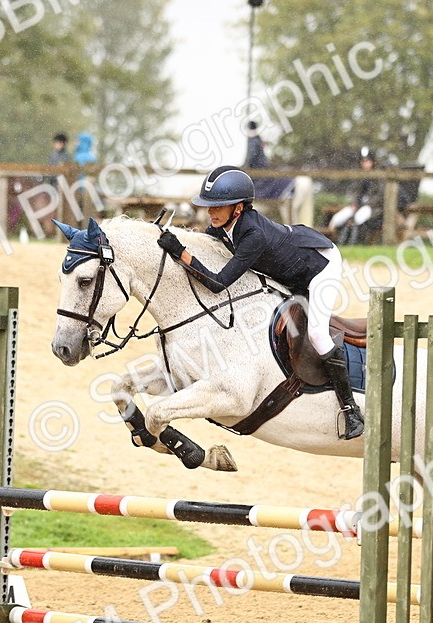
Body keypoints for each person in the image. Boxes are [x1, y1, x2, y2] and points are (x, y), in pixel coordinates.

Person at [156, 166, 364, 440]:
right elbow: (204, 244)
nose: (211, 212)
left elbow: (218, 283)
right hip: (292, 263)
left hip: (319, 266)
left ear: (239, 209)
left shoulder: (253, 235)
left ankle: (350, 409)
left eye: (218, 207)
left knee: (316, 333)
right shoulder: (224, 226)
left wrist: (181, 253)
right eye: (209, 206)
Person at [329, 146, 382, 245]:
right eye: (363, 161)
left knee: (359, 217)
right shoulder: (360, 176)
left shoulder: (379, 176)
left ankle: (354, 242)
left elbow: (379, 197)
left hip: (372, 208)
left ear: (373, 162)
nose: (365, 164)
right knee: (338, 218)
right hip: (358, 206)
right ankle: (337, 242)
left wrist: (366, 203)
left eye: (367, 161)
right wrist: (354, 203)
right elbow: (356, 193)